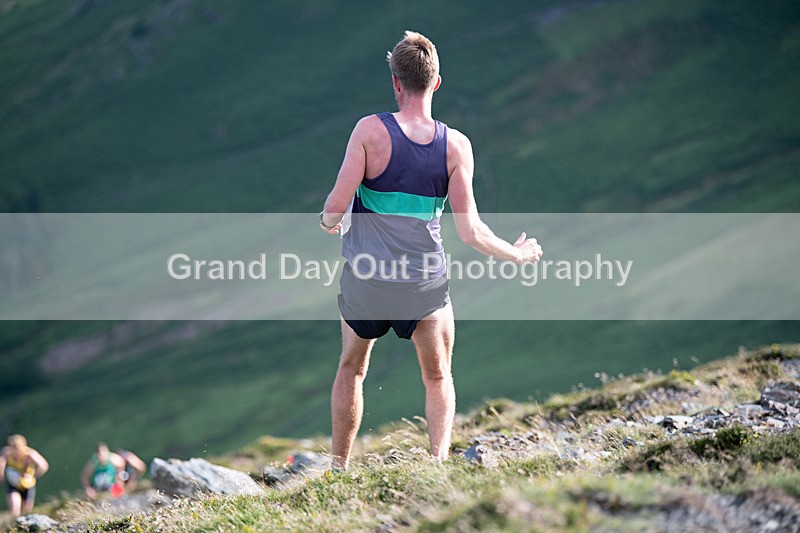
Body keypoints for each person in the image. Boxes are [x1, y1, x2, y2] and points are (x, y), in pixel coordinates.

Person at [320, 31, 543, 469]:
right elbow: (471, 231)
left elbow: (334, 207)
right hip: (422, 283)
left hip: (366, 279)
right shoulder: (455, 146)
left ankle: (338, 469)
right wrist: (516, 255)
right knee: (438, 376)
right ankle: (437, 465)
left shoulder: (369, 131)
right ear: (436, 82)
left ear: (396, 83)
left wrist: (330, 224)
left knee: (351, 369)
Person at [0, 434, 49, 517]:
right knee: (14, 508)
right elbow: (1, 461)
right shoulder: (6, 453)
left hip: (28, 485)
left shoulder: (30, 454)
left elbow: (44, 466)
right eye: (14, 449)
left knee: (26, 511)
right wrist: (1, 475)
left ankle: (22, 528)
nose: (16, 453)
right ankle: (12, 528)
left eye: (19, 449)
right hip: (14, 483)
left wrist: (33, 475)